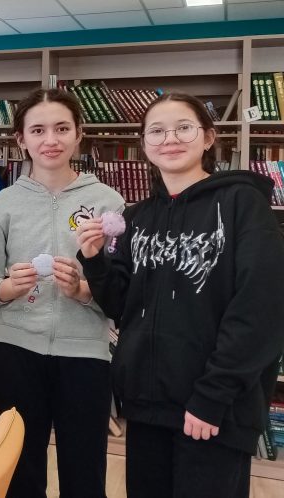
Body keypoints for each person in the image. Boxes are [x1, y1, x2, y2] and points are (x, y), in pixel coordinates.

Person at [77, 92, 284, 498]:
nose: (169, 139)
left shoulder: (242, 203)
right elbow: (121, 306)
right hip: (147, 405)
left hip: (214, 408)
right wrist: (95, 260)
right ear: (144, 144)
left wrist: (213, 395)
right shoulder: (138, 216)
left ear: (208, 137)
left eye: (183, 128)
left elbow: (261, 309)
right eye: (157, 131)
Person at [0, 88, 124, 497]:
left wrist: (84, 291)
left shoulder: (109, 203)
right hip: (15, 352)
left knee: (85, 472)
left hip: (86, 354)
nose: (50, 140)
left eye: (61, 128)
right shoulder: (2, 205)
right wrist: (6, 288)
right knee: (20, 470)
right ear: (21, 139)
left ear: (79, 134)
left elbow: (123, 290)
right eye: (37, 130)